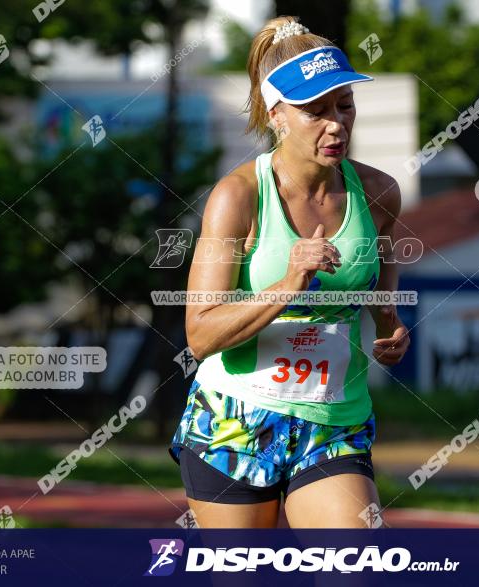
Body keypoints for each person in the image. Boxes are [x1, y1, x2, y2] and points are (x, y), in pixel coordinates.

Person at [168, 15, 409, 529]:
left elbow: (380, 276)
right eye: (315, 111)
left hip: (334, 421)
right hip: (234, 419)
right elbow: (200, 334)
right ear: (277, 115)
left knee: (354, 567)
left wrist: (388, 321)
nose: (336, 124)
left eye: (345, 106)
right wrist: (287, 284)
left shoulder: (380, 192)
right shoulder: (238, 197)